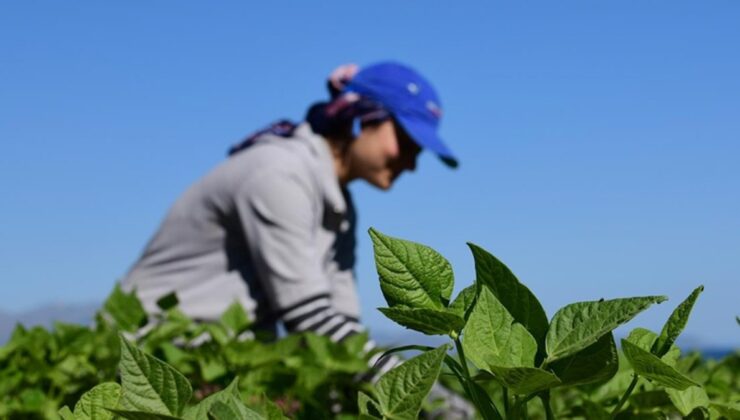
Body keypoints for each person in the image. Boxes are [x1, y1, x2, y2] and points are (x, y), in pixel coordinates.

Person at [121, 61, 469, 416]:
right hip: (150, 356)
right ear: (362, 119)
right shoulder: (278, 174)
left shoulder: (337, 205)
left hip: (217, 366)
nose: (411, 163)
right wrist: (435, 405)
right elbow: (311, 319)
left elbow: (341, 336)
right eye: (407, 142)